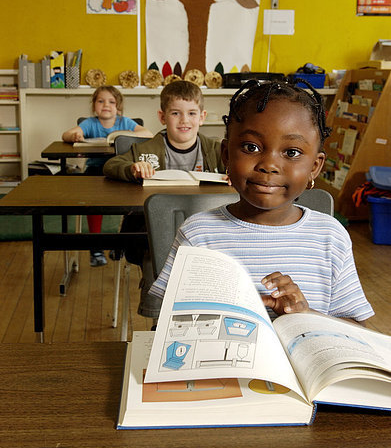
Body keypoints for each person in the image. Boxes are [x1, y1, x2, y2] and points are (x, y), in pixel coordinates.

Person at [150, 77, 374, 325]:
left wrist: (305, 315)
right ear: (226, 154)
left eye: (292, 152)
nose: (268, 165)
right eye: (250, 147)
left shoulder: (331, 237)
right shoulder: (197, 234)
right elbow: (168, 321)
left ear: (315, 166)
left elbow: (356, 328)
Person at [103, 81, 225, 321]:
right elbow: (111, 165)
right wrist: (133, 169)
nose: (184, 121)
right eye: (175, 113)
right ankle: (159, 321)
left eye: (191, 113)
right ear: (162, 116)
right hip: (155, 231)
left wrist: (233, 175)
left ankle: (206, 317)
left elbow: (244, 168)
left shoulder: (216, 149)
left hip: (203, 230)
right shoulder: (147, 148)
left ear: (202, 117)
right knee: (160, 251)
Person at [62, 85, 153, 266]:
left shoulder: (124, 122)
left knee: (133, 202)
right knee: (94, 204)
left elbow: (148, 134)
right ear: (94, 105)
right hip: (95, 172)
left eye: (111, 102)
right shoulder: (90, 123)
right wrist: (76, 134)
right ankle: (96, 246)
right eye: (101, 101)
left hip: (121, 172)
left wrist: (123, 135)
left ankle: (119, 243)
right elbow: (66, 134)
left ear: (118, 107)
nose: (106, 105)